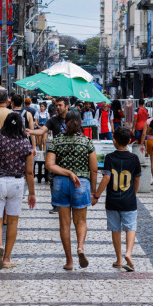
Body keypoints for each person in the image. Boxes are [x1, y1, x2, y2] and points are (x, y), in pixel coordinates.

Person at [0, 112, 36, 269]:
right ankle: (6, 259)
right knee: (12, 222)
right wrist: (32, 193)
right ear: (21, 126)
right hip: (17, 184)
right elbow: (29, 172)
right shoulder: (25, 144)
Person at [46, 110, 98, 270]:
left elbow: (49, 164)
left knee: (64, 224)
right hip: (81, 184)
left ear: (65, 123)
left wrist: (67, 172)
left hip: (61, 183)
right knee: (81, 221)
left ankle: (69, 261)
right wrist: (93, 191)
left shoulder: (57, 141)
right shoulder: (87, 142)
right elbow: (94, 169)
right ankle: (80, 247)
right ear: (81, 123)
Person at [91, 126, 141, 272]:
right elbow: (137, 179)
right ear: (129, 141)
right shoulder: (134, 158)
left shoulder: (110, 157)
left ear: (115, 141)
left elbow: (106, 177)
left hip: (112, 199)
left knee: (115, 229)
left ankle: (119, 259)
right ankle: (129, 253)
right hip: (129, 199)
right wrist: (134, 192)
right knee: (131, 227)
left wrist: (96, 195)